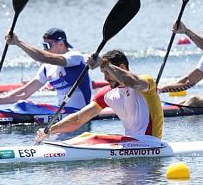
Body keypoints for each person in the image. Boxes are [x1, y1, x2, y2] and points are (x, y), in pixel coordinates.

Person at [35, 50, 164, 142]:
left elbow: (132, 82)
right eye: (103, 73)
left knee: (92, 139)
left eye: (107, 72)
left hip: (151, 143)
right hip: (130, 144)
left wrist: (104, 63)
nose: (105, 78)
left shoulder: (145, 82)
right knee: (86, 137)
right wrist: (50, 130)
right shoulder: (107, 93)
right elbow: (79, 118)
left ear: (122, 67)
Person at [0, 28, 92, 112]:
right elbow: (25, 92)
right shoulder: (47, 68)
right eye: (43, 45)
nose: (45, 49)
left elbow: (44, 57)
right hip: (62, 114)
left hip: (80, 113)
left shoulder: (75, 57)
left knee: (25, 107)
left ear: (61, 44)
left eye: (47, 45)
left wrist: (18, 42)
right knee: (23, 104)